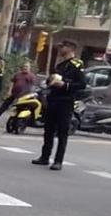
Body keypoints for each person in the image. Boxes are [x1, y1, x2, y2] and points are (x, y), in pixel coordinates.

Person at [32, 40, 86, 170]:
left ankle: (58, 161)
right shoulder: (60, 65)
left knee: (62, 132)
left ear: (70, 48)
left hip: (65, 102)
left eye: (62, 47)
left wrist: (65, 85)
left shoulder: (77, 64)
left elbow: (81, 84)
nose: (60, 49)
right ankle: (45, 157)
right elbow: (51, 80)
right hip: (53, 100)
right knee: (48, 130)